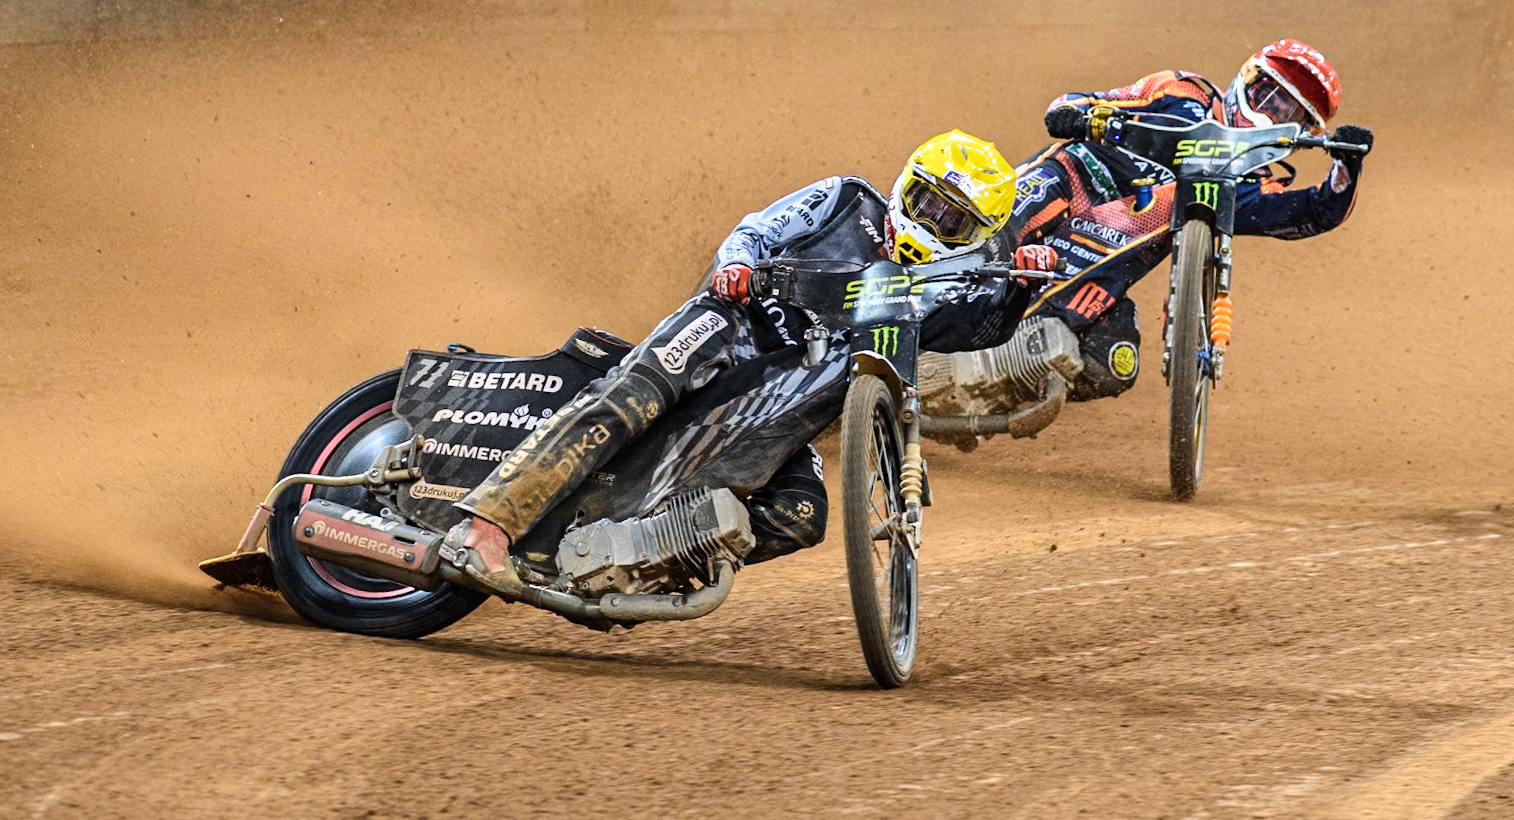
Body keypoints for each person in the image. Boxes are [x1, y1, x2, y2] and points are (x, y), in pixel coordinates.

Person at [450, 130, 1059, 593]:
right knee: (637, 391)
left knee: (802, 515)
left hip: (786, 398)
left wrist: (1022, 287)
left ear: (979, 236)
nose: (933, 222)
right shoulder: (847, 199)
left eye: (955, 221)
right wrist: (738, 265)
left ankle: (633, 559)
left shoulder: (951, 282)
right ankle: (488, 525)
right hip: (732, 325)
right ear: (906, 183)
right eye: (928, 201)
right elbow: (756, 230)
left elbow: (975, 333)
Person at [988, 40, 1373, 401]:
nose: (1272, 115)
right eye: (1269, 98)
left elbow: (1318, 211)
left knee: (1114, 364)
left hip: (1092, 267)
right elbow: (1091, 101)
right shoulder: (1181, 91)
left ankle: (988, 392)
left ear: (1304, 132)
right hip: (1070, 183)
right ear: (1247, 80)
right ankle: (946, 286)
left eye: (1290, 114)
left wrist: (1347, 161)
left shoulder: (1244, 187)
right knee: (1002, 223)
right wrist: (1072, 112)